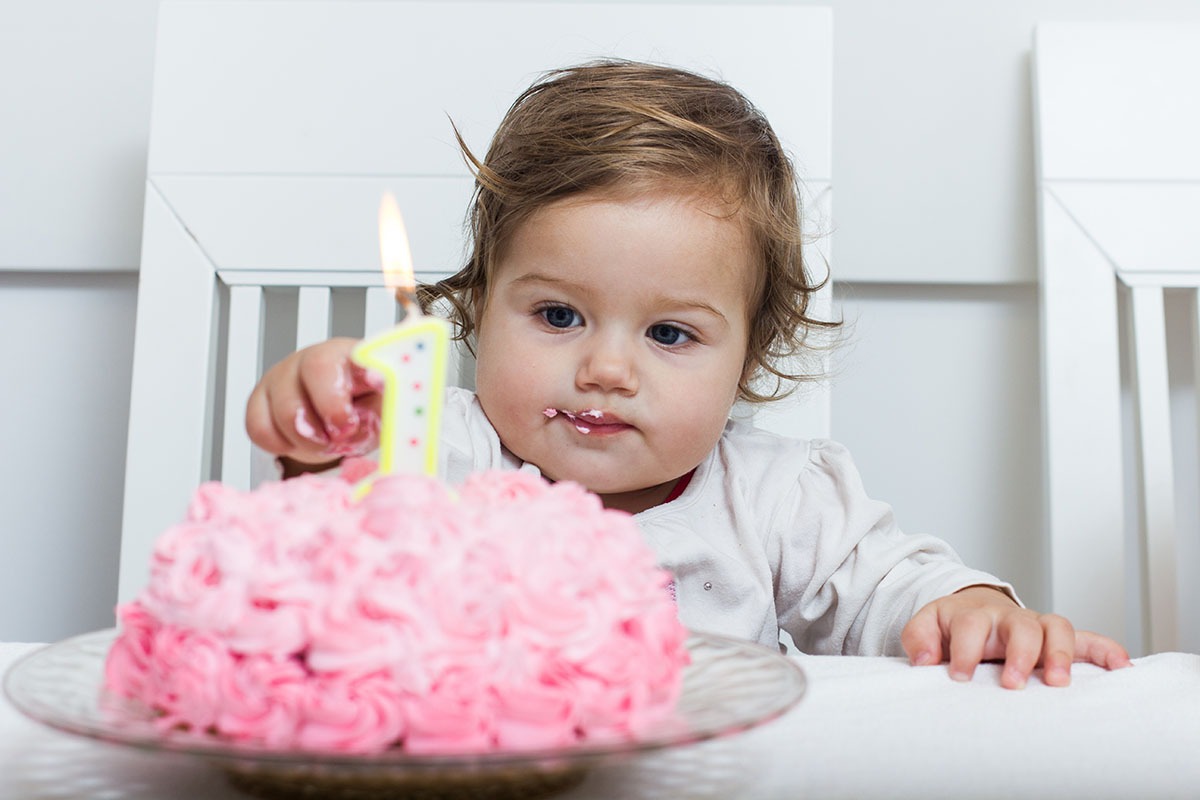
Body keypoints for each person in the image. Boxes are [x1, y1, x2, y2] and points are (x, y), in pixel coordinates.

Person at [246, 60, 1130, 688]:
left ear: (749, 357)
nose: (604, 368)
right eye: (558, 316)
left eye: (669, 333)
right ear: (480, 307)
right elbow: (339, 529)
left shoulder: (777, 499)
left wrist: (967, 606)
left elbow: (888, 587)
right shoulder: (448, 451)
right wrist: (327, 430)